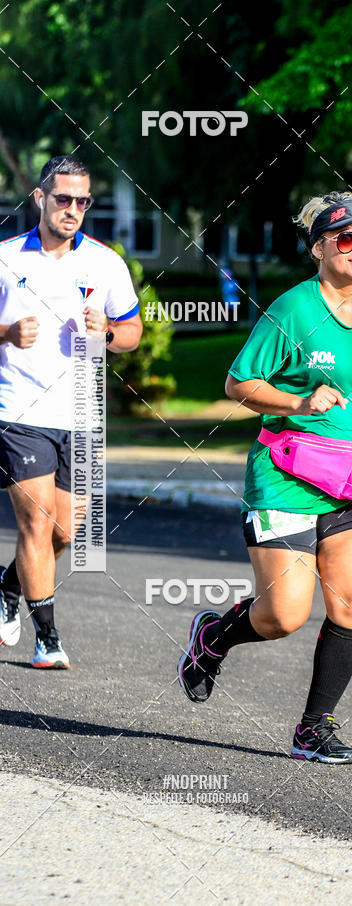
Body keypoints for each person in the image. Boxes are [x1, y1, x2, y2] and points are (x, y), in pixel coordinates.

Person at [178, 191, 352, 764]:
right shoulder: (292, 310)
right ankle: (212, 639)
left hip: (347, 476)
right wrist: (299, 399)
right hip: (286, 473)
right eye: (347, 238)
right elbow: (239, 385)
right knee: (283, 616)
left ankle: (313, 728)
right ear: (318, 247)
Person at [0, 155, 143, 667]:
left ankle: (8, 585)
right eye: (64, 199)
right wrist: (7, 333)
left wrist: (106, 331)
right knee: (36, 525)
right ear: (39, 198)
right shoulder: (7, 257)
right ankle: (48, 637)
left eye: (84, 201)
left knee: (67, 532)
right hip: (20, 410)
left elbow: (131, 332)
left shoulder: (105, 262)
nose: (74, 209)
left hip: (81, 412)